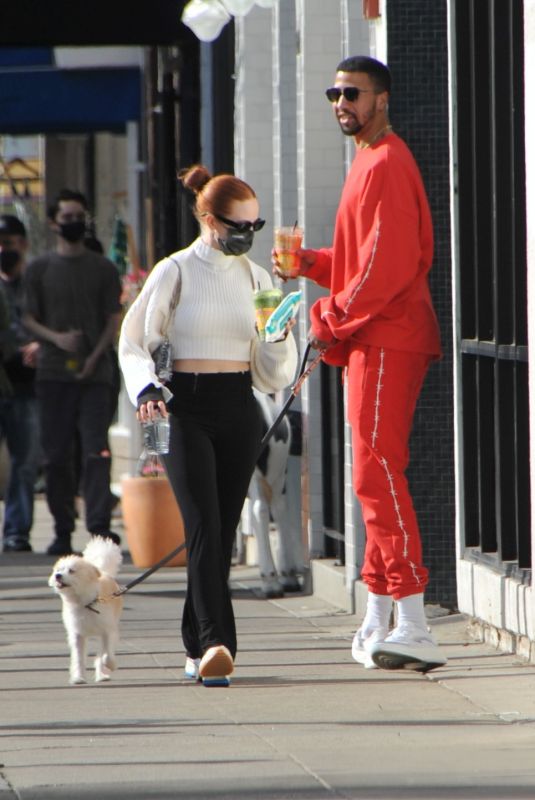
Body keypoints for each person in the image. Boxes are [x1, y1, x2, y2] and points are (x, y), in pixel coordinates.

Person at [273, 56, 446, 673]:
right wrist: (313, 265)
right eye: (334, 93)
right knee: (371, 476)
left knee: (378, 474)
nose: (341, 102)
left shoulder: (388, 161)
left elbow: (388, 267)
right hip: (377, 335)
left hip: (387, 336)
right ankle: (378, 616)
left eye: (353, 93)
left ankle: (417, 622)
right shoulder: (369, 159)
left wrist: (328, 319)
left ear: (383, 99)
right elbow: (361, 258)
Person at [119, 165, 297, 686]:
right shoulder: (173, 271)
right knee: (202, 524)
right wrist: (147, 388)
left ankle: (196, 644)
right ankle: (220, 643)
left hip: (239, 405)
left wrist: (276, 337)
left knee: (220, 532)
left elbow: (270, 374)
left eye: (254, 226)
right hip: (183, 407)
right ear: (206, 217)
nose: (245, 236)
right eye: (236, 225)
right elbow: (134, 343)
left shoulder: (256, 278)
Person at [23, 189, 122, 556]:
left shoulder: (103, 268)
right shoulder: (40, 268)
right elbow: (28, 317)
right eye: (66, 217)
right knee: (55, 455)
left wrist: (96, 357)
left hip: (96, 377)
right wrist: (57, 339)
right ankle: (62, 530)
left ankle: (99, 529)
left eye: (79, 216)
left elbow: (114, 318)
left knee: (96, 451)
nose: (73, 223)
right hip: (52, 374)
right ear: (53, 223)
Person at [0, 215, 40, 553]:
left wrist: (39, 345)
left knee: (25, 463)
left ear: (23, 245)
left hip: (28, 387)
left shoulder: (37, 281)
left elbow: (55, 319)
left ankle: (17, 531)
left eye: (10, 244)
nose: (4, 251)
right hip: (3, 383)